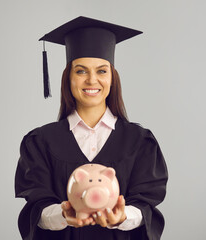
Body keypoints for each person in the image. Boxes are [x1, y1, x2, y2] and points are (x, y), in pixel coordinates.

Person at [15, 16, 168, 240]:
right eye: (81, 71)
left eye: (102, 71)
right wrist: (63, 215)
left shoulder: (140, 141)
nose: (92, 80)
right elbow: (36, 209)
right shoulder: (40, 141)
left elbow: (145, 207)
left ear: (113, 78)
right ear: (68, 78)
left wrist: (122, 217)